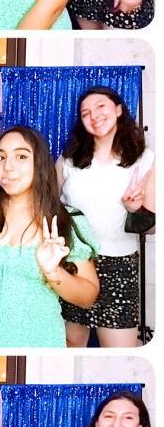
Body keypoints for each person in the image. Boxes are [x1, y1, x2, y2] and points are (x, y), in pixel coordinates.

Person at [0, 126, 100, 348]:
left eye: (21, 156)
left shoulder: (65, 221)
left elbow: (88, 297)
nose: (7, 167)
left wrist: (53, 271)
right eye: (1, 157)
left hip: (36, 346)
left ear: (40, 163)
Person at [57, 88, 155, 348]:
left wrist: (134, 209)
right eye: (85, 113)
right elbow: (50, 206)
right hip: (75, 262)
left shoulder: (144, 159)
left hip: (120, 264)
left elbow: (151, 227)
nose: (94, 116)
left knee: (120, 349)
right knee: (70, 344)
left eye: (101, 106)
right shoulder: (69, 159)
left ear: (118, 110)